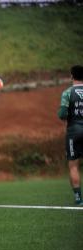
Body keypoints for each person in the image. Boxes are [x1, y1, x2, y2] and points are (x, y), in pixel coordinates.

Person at [58, 65, 83, 206]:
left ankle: (79, 198)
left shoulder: (68, 93)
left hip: (74, 131)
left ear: (72, 76)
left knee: (73, 166)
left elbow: (62, 114)